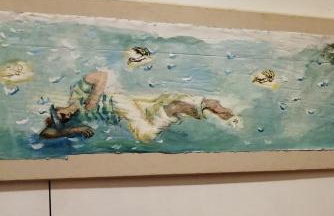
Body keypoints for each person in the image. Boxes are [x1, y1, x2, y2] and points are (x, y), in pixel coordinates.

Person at [40, 70, 238, 142]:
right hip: (129, 109)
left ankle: (178, 108)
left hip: (119, 103)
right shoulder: (76, 120)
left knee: (145, 134)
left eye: (62, 115)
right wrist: (73, 129)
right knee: (162, 104)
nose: (66, 117)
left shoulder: (76, 93)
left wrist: (93, 98)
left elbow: (101, 75)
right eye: (64, 120)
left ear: (58, 108)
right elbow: (45, 134)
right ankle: (206, 105)